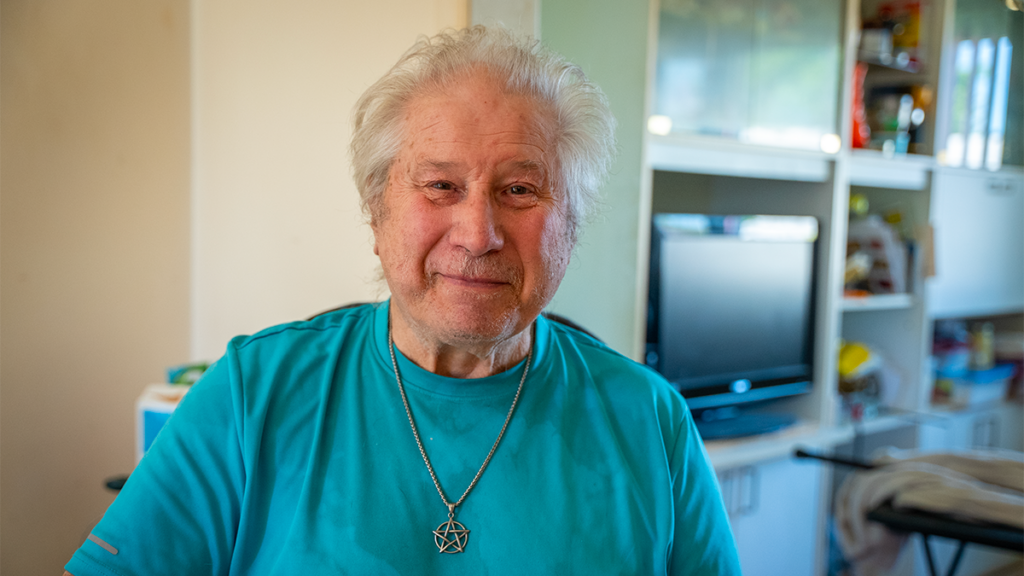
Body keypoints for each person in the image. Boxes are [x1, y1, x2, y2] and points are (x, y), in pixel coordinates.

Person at [65, 26, 741, 575]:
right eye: (441, 186)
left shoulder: (652, 422)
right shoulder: (251, 394)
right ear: (376, 210)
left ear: (571, 224)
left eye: (519, 190)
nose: (477, 234)